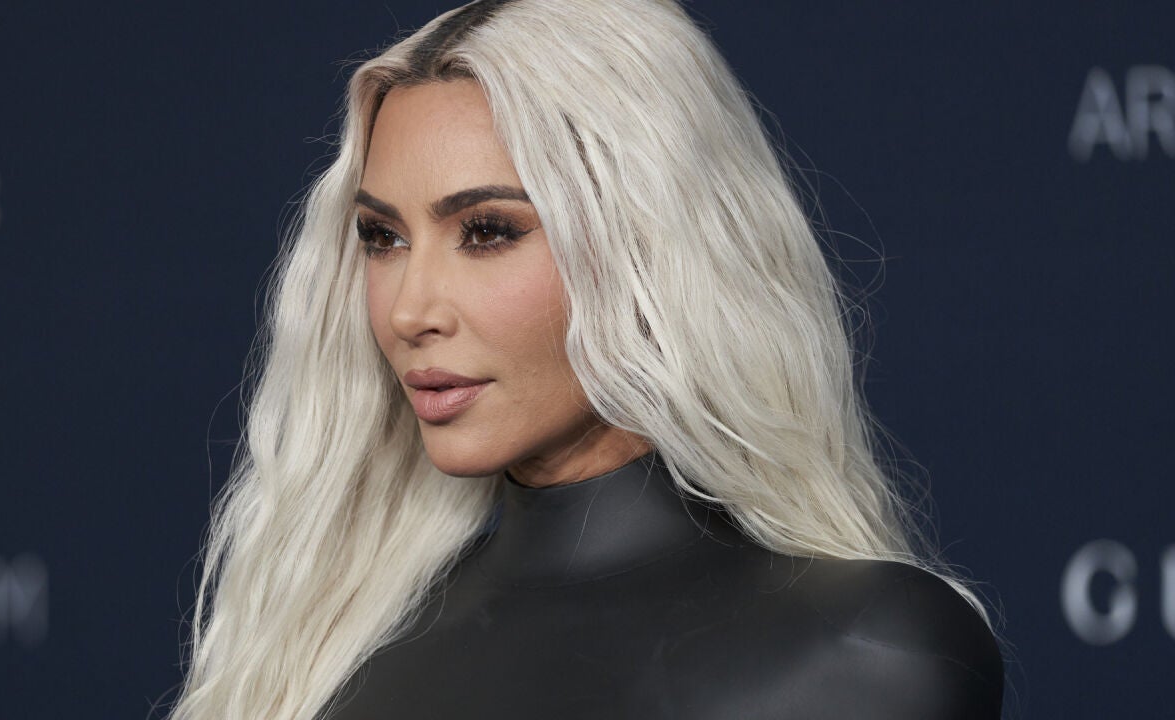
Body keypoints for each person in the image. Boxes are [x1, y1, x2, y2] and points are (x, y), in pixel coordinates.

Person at [167, 1, 1007, 718]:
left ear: (647, 244)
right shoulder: (324, 659)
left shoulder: (869, 652)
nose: (410, 311)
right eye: (382, 237)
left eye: (487, 231)